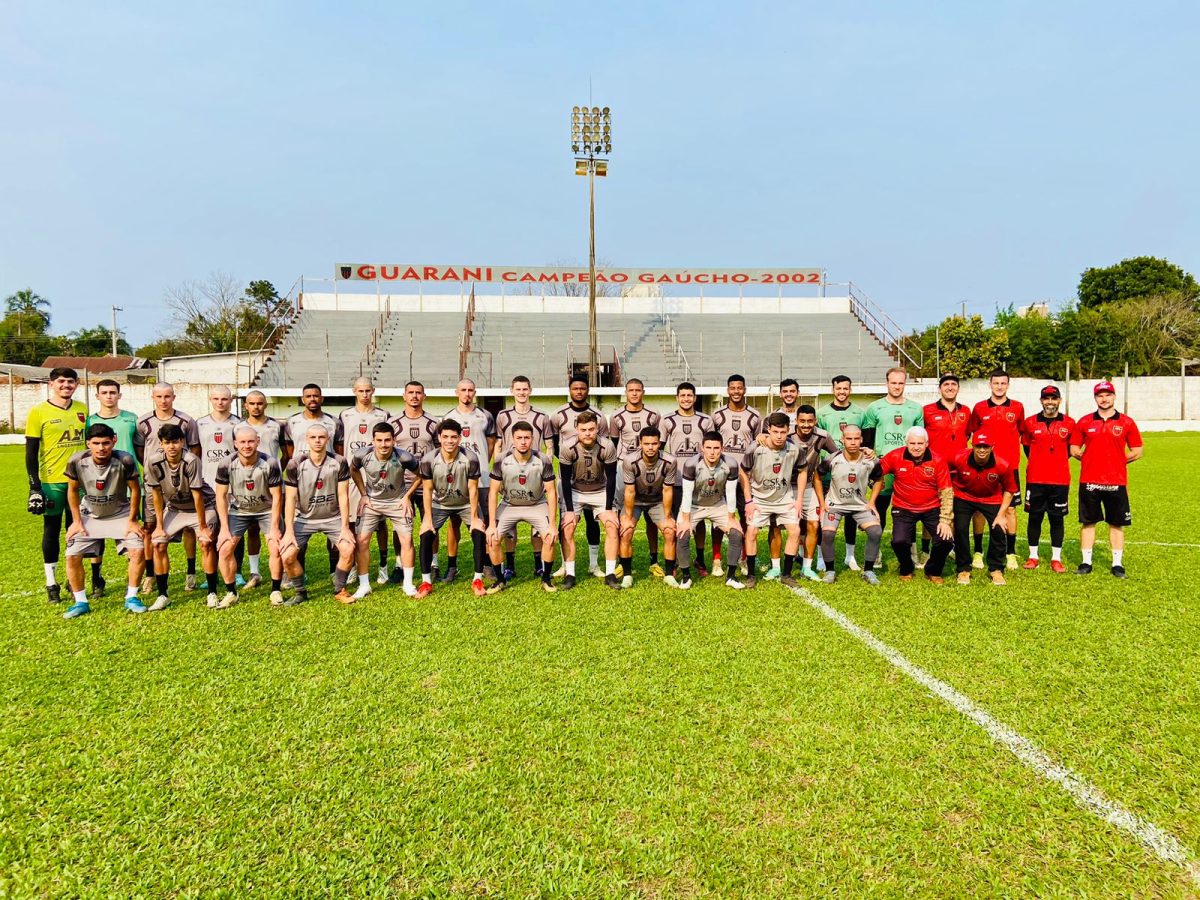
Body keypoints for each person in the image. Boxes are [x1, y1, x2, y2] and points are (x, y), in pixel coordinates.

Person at [61, 423, 147, 618]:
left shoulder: (124, 459)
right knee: (71, 554)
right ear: (88, 444)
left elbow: (135, 490)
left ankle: (131, 598)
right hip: (90, 514)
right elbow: (72, 491)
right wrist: (76, 521)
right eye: (96, 443)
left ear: (113, 441)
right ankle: (80, 602)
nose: (101, 448)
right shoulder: (76, 460)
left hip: (119, 513)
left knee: (138, 549)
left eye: (106, 443)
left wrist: (133, 520)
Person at [25, 366, 87, 604]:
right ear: (51, 384)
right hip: (52, 482)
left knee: (77, 531)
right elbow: (30, 452)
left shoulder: (82, 409)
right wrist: (34, 487)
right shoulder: (38, 412)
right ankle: (51, 582)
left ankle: (75, 581)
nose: (66, 386)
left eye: (70, 382)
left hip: (80, 482)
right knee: (51, 530)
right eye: (61, 382)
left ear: (76, 384)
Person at [1070, 381, 1143, 578]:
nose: (1104, 399)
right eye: (1100, 395)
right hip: (1090, 480)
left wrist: (1118, 462)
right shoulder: (1085, 422)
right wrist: (1088, 459)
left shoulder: (1126, 422)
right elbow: (1074, 448)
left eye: (1107, 395)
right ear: (1095, 398)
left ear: (1114, 396)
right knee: (1088, 522)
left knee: (1116, 523)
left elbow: (1137, 450)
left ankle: (1117, 564)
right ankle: (1086, 562)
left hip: (1116, 481)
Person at [134, 382, 202, 593]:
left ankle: (191, 573)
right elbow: (140, 450)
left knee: (189, 527)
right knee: (150, 528)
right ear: (153, 397)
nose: (163, 401)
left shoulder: (186, 421)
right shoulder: (143, 421)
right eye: (159, 397)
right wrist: (154, 470)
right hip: (154, 482)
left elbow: (195, 448)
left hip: (181, 483)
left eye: (167, 396)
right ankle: (151, 575)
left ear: (174, 397)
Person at [145, 423, 219, 610]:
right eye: (167, 442)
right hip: (176, 508)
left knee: (205, 542)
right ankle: (163, 595)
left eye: (175, 442)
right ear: (161, 444)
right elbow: (156, 494)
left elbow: (198, 496)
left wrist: (202, 527)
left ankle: (212, 592)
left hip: (202, 507)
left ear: (182, 442)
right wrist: (159, 526)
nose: (172, 447)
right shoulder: (153, 461)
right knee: (159, 542)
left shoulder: (191, 460)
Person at [279, 424, 355, 605]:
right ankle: (300, 593)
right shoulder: (295, 464)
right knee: (287, 556)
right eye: (313, 437)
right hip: (304, 519)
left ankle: (339, 589)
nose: (317, 441)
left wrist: (345, 527)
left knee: (348, 549)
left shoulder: (339, 461)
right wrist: (289, 531)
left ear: (328, 439)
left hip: (332, 517)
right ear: (306, 439)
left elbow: (343, 495)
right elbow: (289, 499)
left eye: (321, 437)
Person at [868, 426, 954, 581]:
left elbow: (947, 492)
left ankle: (933, 571)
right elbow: (876, 470)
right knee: (899, 541)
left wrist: (945, 520)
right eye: (912, 443)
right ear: (906, 442)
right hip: (903, 507)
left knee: (945, 540)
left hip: (931, 508)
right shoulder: (895, 456)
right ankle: (906, 567)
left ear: (927, 443)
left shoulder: (938, 460)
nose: (916, 447)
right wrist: (866, 462)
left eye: (920, 443)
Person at [860, 367, 925, 569]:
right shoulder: (874, 408)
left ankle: (911, 553)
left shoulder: (916, 409)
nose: (897, 386)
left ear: (905, 384)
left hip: (909, 467)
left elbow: (921, 438)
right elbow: (868, 438)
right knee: (879, 509)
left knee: (910, 511)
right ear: (887, 383)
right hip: (883, 467)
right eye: (893, 382)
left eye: (900, 383)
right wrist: (870, 456)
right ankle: (875, 552)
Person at [214, 425, 284, 608]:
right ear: (235, 443)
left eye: (251, 441)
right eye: (243, 442)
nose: (247, 445)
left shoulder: (270, 463)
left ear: (258, 442)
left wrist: (275, 527)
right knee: (224, 549)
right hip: (239, 511)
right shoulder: (226, 463)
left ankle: (276, 590)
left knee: (275, 547)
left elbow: (277, 496)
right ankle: (231, 592)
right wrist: (223, 529)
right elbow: (220, 496)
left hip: (266, 510)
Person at [348, 422, 420, 598]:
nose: (383, 444)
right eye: (379, 440)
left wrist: (407, 497)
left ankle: (408, 584)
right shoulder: (362, 455)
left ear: (394, 440)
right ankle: (364, 585)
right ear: (373, 440)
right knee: (362, 540)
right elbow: (353, 470)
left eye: (387, 440)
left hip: (397, 502)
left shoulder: (404, 457)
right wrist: (363, 494)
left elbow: (421, 475)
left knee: (406, 540)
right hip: (372, 502)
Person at [486, 422, 559, 593]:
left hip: (537, 504)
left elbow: (551, 492)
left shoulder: (543, 460)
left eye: (527, 438)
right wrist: (490, 525)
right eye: (519, 438)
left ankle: (546, 579)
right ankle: (500, 580)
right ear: (513, 439)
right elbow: (493, 492)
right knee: (492, 538)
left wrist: (552, 524)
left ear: (533, 439)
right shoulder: (501, 459)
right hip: (509, 505)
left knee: (549, 537)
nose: (523, 442)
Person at [416, 419, 486, 598]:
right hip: (440, 504)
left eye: (453, 437)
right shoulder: (429, 459)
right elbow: (427, 490)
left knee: (479, 533)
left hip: (465, 504)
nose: (449, 441)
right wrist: (427, 519)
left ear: (460, 438)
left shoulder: (470, 458)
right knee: (426, 535)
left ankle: (477, 580)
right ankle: (426, 582)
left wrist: (475, 517)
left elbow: (472, 488)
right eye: (445, 437)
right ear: (439, 437)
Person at [84, 377, 141, 597]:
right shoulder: (89, 422)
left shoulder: (131, 419)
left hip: (129, 486)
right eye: (104, 392)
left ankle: (135, 577)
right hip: (99, 488)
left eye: (112, 392)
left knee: (132, 532)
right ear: (97, 396)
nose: (109, 396)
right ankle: (97, 577)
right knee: (95, 535)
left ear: (119, 395)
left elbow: (140, 449)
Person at [549, 375, 610, 577]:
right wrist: (573, 460)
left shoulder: (598, 416)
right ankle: (566, 565)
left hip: (594, 478)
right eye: (575, 388)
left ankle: (594, 564)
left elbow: (603, 443)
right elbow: (556, 443)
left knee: (592, 521)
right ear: (570, 390)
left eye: (583, 388)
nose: (579, 392)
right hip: (569, 474)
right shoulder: (558, 414)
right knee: (566, 519)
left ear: (588, 391)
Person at [495, 375, 554, 577]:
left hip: (535, 473)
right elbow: (498, 445)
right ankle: (510, 565)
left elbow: (549, 445)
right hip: (510, 472)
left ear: (530, 391)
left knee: (538, 523)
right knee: (509, 525)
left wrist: (547, 468)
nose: (521, 393)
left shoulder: (541, 416)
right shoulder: (503, 415)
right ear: (512, 391)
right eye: (518, 389)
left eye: (525, 389)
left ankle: (539, 563)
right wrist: (499, 474)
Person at [338, 377, 394, 585]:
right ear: (354, 391)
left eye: (368, 390)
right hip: (354, 476)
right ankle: (353, 566)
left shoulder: (382, 415)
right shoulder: (344, 416)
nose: (364, 394)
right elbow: (339, 445)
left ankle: (382, 565)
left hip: (376, 475)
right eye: (361, 391)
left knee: (380, 524)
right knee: (352, 522)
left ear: (373, 391)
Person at [440, 378, 497, 584]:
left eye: (470, 390)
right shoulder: (449, 417)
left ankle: (487, 564)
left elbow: (491, 443)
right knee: (453, 522)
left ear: (475, 392)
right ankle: (452, 566)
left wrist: (482, 463)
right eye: (463, 390)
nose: (467, 393)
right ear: (457, 392)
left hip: (481, 479)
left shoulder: (485, 416)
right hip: (455, 480)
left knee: (485, 522)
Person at [740, 412, 805, 588]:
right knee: (752, 531)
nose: (779, 436)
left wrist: (798, 499)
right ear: (768, 430)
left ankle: (787, 574)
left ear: (788, 430)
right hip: (759, 499)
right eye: (775, 431)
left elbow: (803, 471)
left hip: (784, 498)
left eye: (783, 432)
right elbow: (742, 472)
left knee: (795, 531)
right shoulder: (755, 448)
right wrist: (748, 501)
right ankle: (751, 576)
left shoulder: (794, 449)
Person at [969, 369, 1026, 570]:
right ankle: (978, 552)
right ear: (990, 385)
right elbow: (971, 433)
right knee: (979, 509)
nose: (999, 387)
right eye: (996, 383)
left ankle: (1010, 553)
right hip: (983, 469)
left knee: (1010, 509)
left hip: (1009, 468)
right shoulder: (979, 408)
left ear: (1008, 385)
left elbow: (1022, 433)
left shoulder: (1018, 408)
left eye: (1003, 383)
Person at [558, 411, 622, 589]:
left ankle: (610, 573)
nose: (587, 433)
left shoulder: (607, 446)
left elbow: (611, 478)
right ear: (576, 430)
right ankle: (570, 574)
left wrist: (609, 508)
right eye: (583, 429)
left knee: (611, 525)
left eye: (591, 429)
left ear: (597, 429)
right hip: (575, 490)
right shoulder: (567, 447)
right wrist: (570, 510)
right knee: (568, 527)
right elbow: (564, 479)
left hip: (600, 490)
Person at [675, 432, 746, 590]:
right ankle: (686, 577)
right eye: (708, 448)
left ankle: (731, 576)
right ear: (702, 448)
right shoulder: (691, 464)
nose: (712, 452)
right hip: (694, 505)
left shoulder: (731, 464)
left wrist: (731, 518)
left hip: (717, 504)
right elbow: (686, 494)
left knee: (735, 533)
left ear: (723, 448)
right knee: (682, 534)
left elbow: (730, 492)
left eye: (716, 448)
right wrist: (686, 521)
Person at [609, 378, 664, 575]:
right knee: (622, 513)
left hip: (647, 468)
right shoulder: (616, 416)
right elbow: (614, 443)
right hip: (624, 467)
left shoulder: (654, 414)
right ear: (626, 392)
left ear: (643, 392)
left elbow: (658, 442)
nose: (634, 393)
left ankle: (654, 560)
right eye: (631, 390)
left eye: (638, 390)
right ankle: (620, 561)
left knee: (651, 513)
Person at [660, 382, 715, 576]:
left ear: (695, 398)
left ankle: (699, 559)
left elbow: (711, 448)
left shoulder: (705, 420)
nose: (686, 399)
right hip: (676, 480)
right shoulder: (667, 420)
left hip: (700, 479)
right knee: (676, 520)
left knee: (698, 521)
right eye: (682, 395)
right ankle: (675, 560)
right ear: (677, 398)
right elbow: (660, 451)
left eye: (689, 395)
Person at [947, 432, 1016, 586]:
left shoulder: (1003, 464)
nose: (982, 450)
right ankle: (963, 569)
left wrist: (1001, 514)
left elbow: (1009, 490)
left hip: (991, 499)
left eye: (986, 446)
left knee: (998, 528)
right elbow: (942, 470)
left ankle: (996, 569)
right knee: (961, 528)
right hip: (964, 496)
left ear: (992, 447)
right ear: (972, 445)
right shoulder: (958, 457)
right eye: (979, 446)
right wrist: (949, 489)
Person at [817, 424, 882, 585]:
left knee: (875, 532)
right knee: (827, 534)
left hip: (860, 506)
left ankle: (868, 571)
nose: (853, 442)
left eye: (856, 439)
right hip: (835, 504)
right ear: (842, 439)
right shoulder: (832, 458)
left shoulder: (870, 460)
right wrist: (822, 502)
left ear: (861, 440)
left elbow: (879, 479)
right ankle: (830, 571)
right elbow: (817, 477)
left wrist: (872, 502)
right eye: (849, 439)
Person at [710, 374, 762, 574]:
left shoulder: (755, 416)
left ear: (745, 389)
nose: (736, 391)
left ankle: (742, 557)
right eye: (733, 388)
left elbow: (758, 444)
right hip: (722, 472)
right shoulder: (717, 415)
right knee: (719, 516)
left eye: (740, 388)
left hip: (745, 474)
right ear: (727, 390)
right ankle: (716, 559)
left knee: (743, 515)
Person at [1021, 385, 1076, 572]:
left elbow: (1070, 449)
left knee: (1056, 519)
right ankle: (1033, 556)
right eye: (1046, 399)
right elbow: (1027, 447)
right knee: (1034, 517)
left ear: (1059, 400)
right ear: (1041, 401)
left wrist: (1056, 461)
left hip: (1060, 480)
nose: (1050, 402)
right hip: (1035, 479)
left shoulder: (1069, 423)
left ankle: (1056, 558)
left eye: (1054, 398)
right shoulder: (1030, 422)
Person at [391, 381, 441, 582]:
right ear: (404, 396)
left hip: (427, 483)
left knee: (431, 524)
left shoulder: (433, 422)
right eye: (410, 392)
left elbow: (439, 451)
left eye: (418, 393)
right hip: (401, 484)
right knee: (400, 525)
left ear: (424, 396)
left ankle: (434, 563)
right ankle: (399, 564)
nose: (414, 396)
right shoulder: (394, 422)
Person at [817, 374, 866, 571]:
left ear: (850, 390)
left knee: (851, 515)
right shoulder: (822, 413)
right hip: (830, 472)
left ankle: (850, 556)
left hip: (853, 472)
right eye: (839, 388)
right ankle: (821, 557)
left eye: (846, 388)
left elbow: (866, 442)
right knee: (825, 514)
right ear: (833, 389)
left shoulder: (860, 414)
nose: (842, 392)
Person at [618, 427, 678, 588]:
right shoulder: (629, 460)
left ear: (660, 443)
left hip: (657, 501)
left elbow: (667, 490)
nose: (650, 447)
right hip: (636, 500)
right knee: (626, 530)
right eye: (646, 444)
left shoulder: (670, 461)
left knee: (670, 530)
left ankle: (669, 574)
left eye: (654, 443)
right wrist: (628, 518)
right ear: (640, 444)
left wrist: (667, 517)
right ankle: (627, 574)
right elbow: (630, 491)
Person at [197, 386, 244, 586]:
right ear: (210, 399)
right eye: (216, 398)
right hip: (208, 483)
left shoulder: (239, 423)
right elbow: (196, 452)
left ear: (231, 400)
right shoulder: (200, 423)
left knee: (234, 528)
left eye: (224, 399)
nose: (220, 402)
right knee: (212, 529)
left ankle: (238, 571)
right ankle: (212, 572)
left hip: (233, 484)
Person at [240, 389, 284, 587]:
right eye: (252, 403)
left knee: (277, 528)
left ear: (265, 405)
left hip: (272, 485)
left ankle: (282, 572)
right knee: (252, 529)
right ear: (245, 406)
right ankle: (254, 571)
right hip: (247, 485)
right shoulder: (238, 427)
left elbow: (287, 453)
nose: (256, 407)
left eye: (260, 403)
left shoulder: (276, 426)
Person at [792, 405, 836, 581]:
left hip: (809, 484)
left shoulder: (823, 436)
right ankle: (778, 564)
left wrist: (823, 466)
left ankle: (807, 566)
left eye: (810, 421)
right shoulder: (786, 436)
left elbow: (838, 454)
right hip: (786, 486)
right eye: (802, 421)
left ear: (815, 421)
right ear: (796, 421)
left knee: (814, 525)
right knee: (782, 526)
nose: (806, 425)